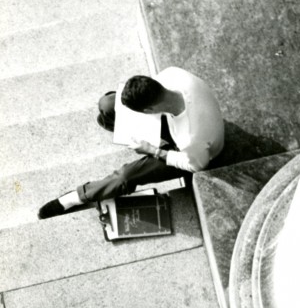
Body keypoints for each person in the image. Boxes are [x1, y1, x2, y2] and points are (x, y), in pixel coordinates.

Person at [38, 67, 224, 219]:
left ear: (150, 109)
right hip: (174, 119)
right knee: (107, 104)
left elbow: (198, 165)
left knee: (126, 176)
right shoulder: (172, 75)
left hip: (188, 153)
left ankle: (78, 196)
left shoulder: (193, 137)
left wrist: (153, 150)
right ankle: (116, 124)